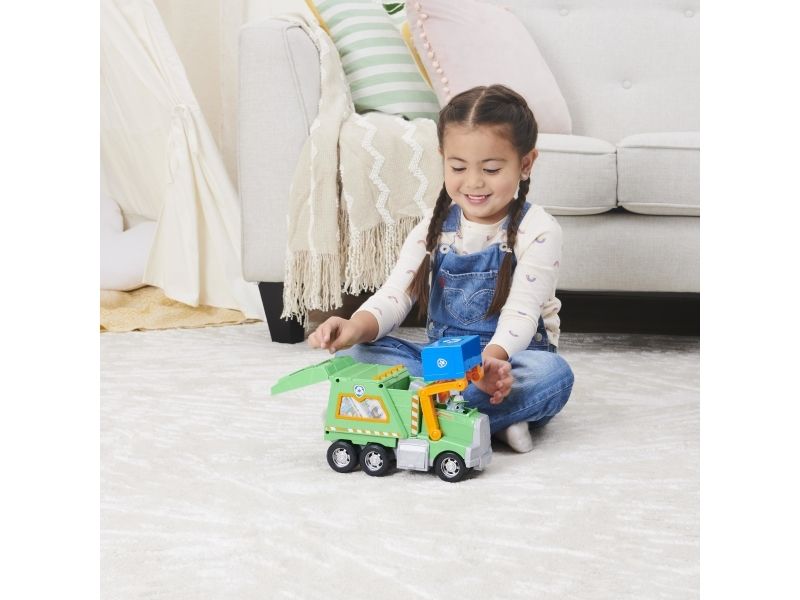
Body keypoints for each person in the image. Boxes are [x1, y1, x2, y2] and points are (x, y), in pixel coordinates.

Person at [308, 84, 574, 453]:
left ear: (525, 164)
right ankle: (484, 420)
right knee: (355, 357)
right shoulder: (432, 229)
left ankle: (413, 415)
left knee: (553, 375)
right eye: (458, 167)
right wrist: (354, 327)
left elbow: (522, 313)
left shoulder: (539, 229)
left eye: (492, 168)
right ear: (442, 159)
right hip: (444, 367)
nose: (474, 182)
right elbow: (395, 295)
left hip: (506, 360)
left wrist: (488, 367)